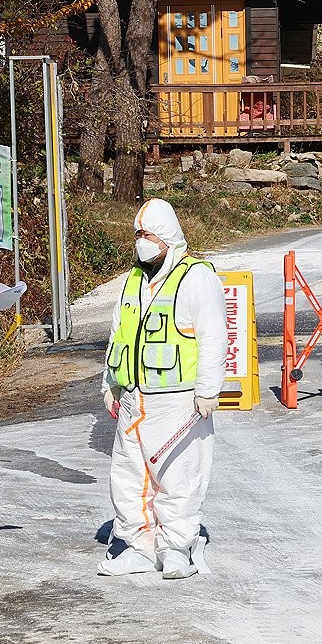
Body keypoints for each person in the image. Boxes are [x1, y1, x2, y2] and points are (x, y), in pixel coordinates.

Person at [99, 199, 226, 579]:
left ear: (167, 237)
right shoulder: (132, 280)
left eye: (147, 234)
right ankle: (139, 545)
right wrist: (109, 383)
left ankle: (177, 548)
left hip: (179, 400)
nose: (141, 242)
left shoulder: (196, 277)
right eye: (137, 234)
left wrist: (208, 390)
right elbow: (117, 334)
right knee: (128, 474)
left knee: (178, 475)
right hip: (134, 397)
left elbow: (214, 337)